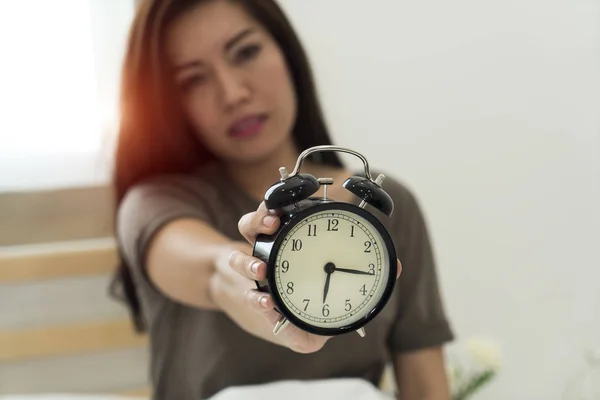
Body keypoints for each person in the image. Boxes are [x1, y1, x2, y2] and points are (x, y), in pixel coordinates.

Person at [110, 0, 455, 399]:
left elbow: (426, 387)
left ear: (286, 50)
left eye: (246, 52)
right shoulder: (153, 204)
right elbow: (215, 273)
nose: (233, 93)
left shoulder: (388, 207)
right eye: (192, 80)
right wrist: (259, 282)